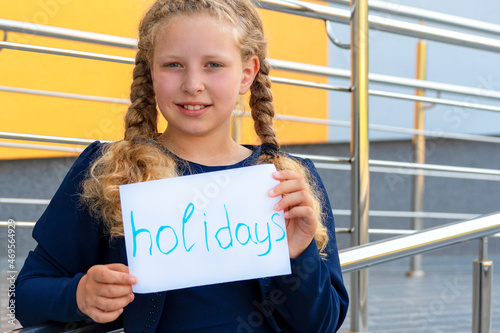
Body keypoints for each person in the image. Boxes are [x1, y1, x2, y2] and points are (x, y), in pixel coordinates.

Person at [14, 0, 349, 332]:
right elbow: (24, 296)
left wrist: (299, 255)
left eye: (214, 64)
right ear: (150, 71)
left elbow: (321, 325)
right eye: (173, 65)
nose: (192, 84)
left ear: (247, 73)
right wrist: (80, 294)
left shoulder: (288, 182)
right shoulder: (111, 172)